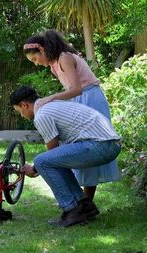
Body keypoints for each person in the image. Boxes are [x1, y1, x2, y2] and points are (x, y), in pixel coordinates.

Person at [23, 29, 119, 200]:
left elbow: (76, 89)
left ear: (42, 50)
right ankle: (82, 198)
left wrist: (51, 98)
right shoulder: (54, 66)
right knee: (77, 148)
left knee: (89, 143)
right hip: (78, 100)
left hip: (90, 98)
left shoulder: (64, 58)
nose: (36, 63)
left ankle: (87, 199)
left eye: (35, 59)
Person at [10, 86, 121, 227]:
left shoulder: (42, 115)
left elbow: (52, 151)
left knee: (41, 161)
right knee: (52, 161)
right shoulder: (51, 106)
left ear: (24, 105)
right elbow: (56, 156)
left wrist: (34, 169)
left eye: (19, 111)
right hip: (109, 144)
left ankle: (72, 210)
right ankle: (85, 206)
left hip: (100, 145)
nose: (21, 114)